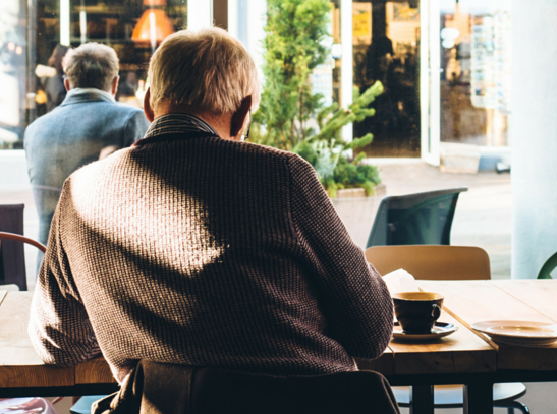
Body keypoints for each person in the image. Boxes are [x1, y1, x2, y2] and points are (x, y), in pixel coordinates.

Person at [29, 27, 393, 384]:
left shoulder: (80, 193)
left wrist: (130, 322)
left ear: (149, 104)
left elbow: (58, 344)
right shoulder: (281, 176)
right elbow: (371, 332)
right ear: (243, 112)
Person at [24, 43, 149, 273]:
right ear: (115, 83)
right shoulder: (131, 119)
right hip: (105, 271)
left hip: (48, 267)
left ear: (67, 84)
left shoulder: (34, 130)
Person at [43, 44, 71, 112]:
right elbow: (57, 98)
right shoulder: (54, 75)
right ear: (62, 58)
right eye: (69, 57)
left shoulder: (60, 74)